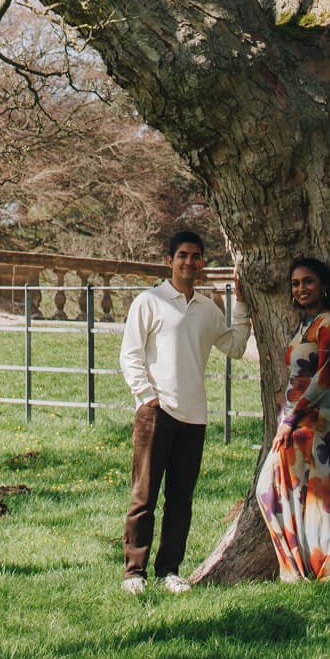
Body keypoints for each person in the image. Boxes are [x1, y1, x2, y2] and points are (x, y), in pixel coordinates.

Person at [118, 228, 250, 594]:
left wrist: (241, 305)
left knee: (180, 500)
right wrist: (147, 396)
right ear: (170, 261)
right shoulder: (149, 301)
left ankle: (169, 570)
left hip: (194, 418)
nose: (189, 262)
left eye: (195, 256)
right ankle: (134, 572)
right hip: (155, 414)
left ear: (202, 263)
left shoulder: (208, 309)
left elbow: (236, 347)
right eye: (182, 256)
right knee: (144, 497)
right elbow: (130, 354)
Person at [255, 255, 330, 581]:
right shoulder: (303, 326)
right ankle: (302, 563)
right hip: (294, 416)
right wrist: (285, 418)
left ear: (324, 286)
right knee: (289, 488)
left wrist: (290, 420)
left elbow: (324, 377)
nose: (301, 288)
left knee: (291, 486)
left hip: (315, 414)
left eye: (308, 281)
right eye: (295, 284)